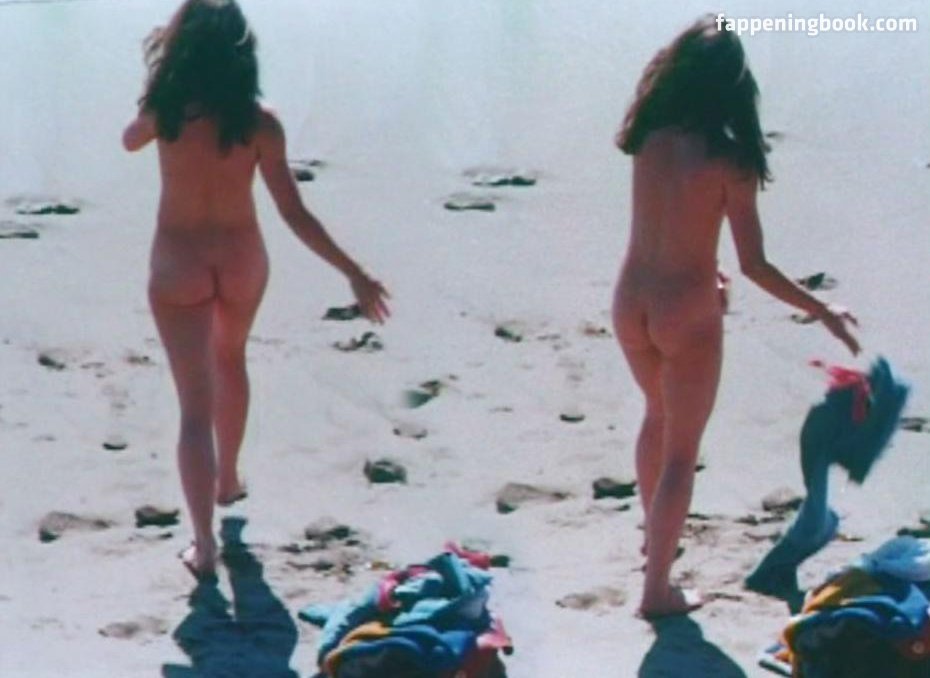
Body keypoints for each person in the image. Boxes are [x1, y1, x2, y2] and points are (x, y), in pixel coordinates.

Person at [123, 0, 389, 578]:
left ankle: (203, 545)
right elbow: (293, 212)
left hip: (179, 261)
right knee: (231, 357)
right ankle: (228, 480)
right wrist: (353, 270)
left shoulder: (166, 111)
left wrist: (161, 80)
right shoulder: (259, 123)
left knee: (193, 408)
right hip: (242, 259)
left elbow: (128, 140)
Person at [612, 15, 859, 618]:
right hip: (686, 312)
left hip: (631, 300)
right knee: (681, 454)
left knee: (655, 416)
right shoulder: (729, 160)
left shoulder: (648, 136)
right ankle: (656, 593)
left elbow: (668, 227)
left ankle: (655, 545)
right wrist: (821, 309)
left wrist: (707, 269)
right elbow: (756, 265)